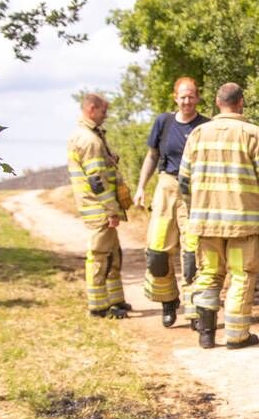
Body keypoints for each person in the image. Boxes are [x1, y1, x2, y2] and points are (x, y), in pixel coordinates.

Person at [179, 82, 259, 349]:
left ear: (217, 103)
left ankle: (206, 334)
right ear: (240, 102)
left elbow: (183, 181)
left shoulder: (197, 134)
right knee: (241, 275)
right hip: (244, 224)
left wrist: (194, 211)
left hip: (206, 222)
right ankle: (237, 336)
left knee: (209, 274)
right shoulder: (253, 134)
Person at [134, 77, 211, 328]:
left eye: (191, 96)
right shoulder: (163, 122)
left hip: (195, 190)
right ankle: (168, 301)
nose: (187, 101)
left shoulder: (206, 126)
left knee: (193, 256)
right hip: (166, 186)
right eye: (182, 96)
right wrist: (140, 188)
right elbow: (151, 156)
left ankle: (195, 311)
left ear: (197, 98)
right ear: (175, 98)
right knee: (157, 253)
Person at [66, 93, 131, 318]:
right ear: (91, 109)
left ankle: (115, 300)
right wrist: (112, 209)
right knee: (100, 256)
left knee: (113, 254)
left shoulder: (89, 135)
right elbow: (97, 180)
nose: (106, 115)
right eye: (104, 111)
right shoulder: (89, 140)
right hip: (99, 208)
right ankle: (99, 307)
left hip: (97, 206)